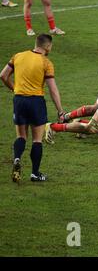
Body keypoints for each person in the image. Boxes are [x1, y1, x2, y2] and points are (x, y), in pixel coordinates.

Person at [0, 34, 64, 182]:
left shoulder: (18, 56)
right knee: (37, 140)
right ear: (47, 46)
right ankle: (35, 173)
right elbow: (53, 90)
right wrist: (60, 110)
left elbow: (3, 75)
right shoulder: (46, 62)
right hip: (36, 102)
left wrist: (14, 88)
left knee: (21, 137)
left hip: (19, 100)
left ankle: (17, 159)